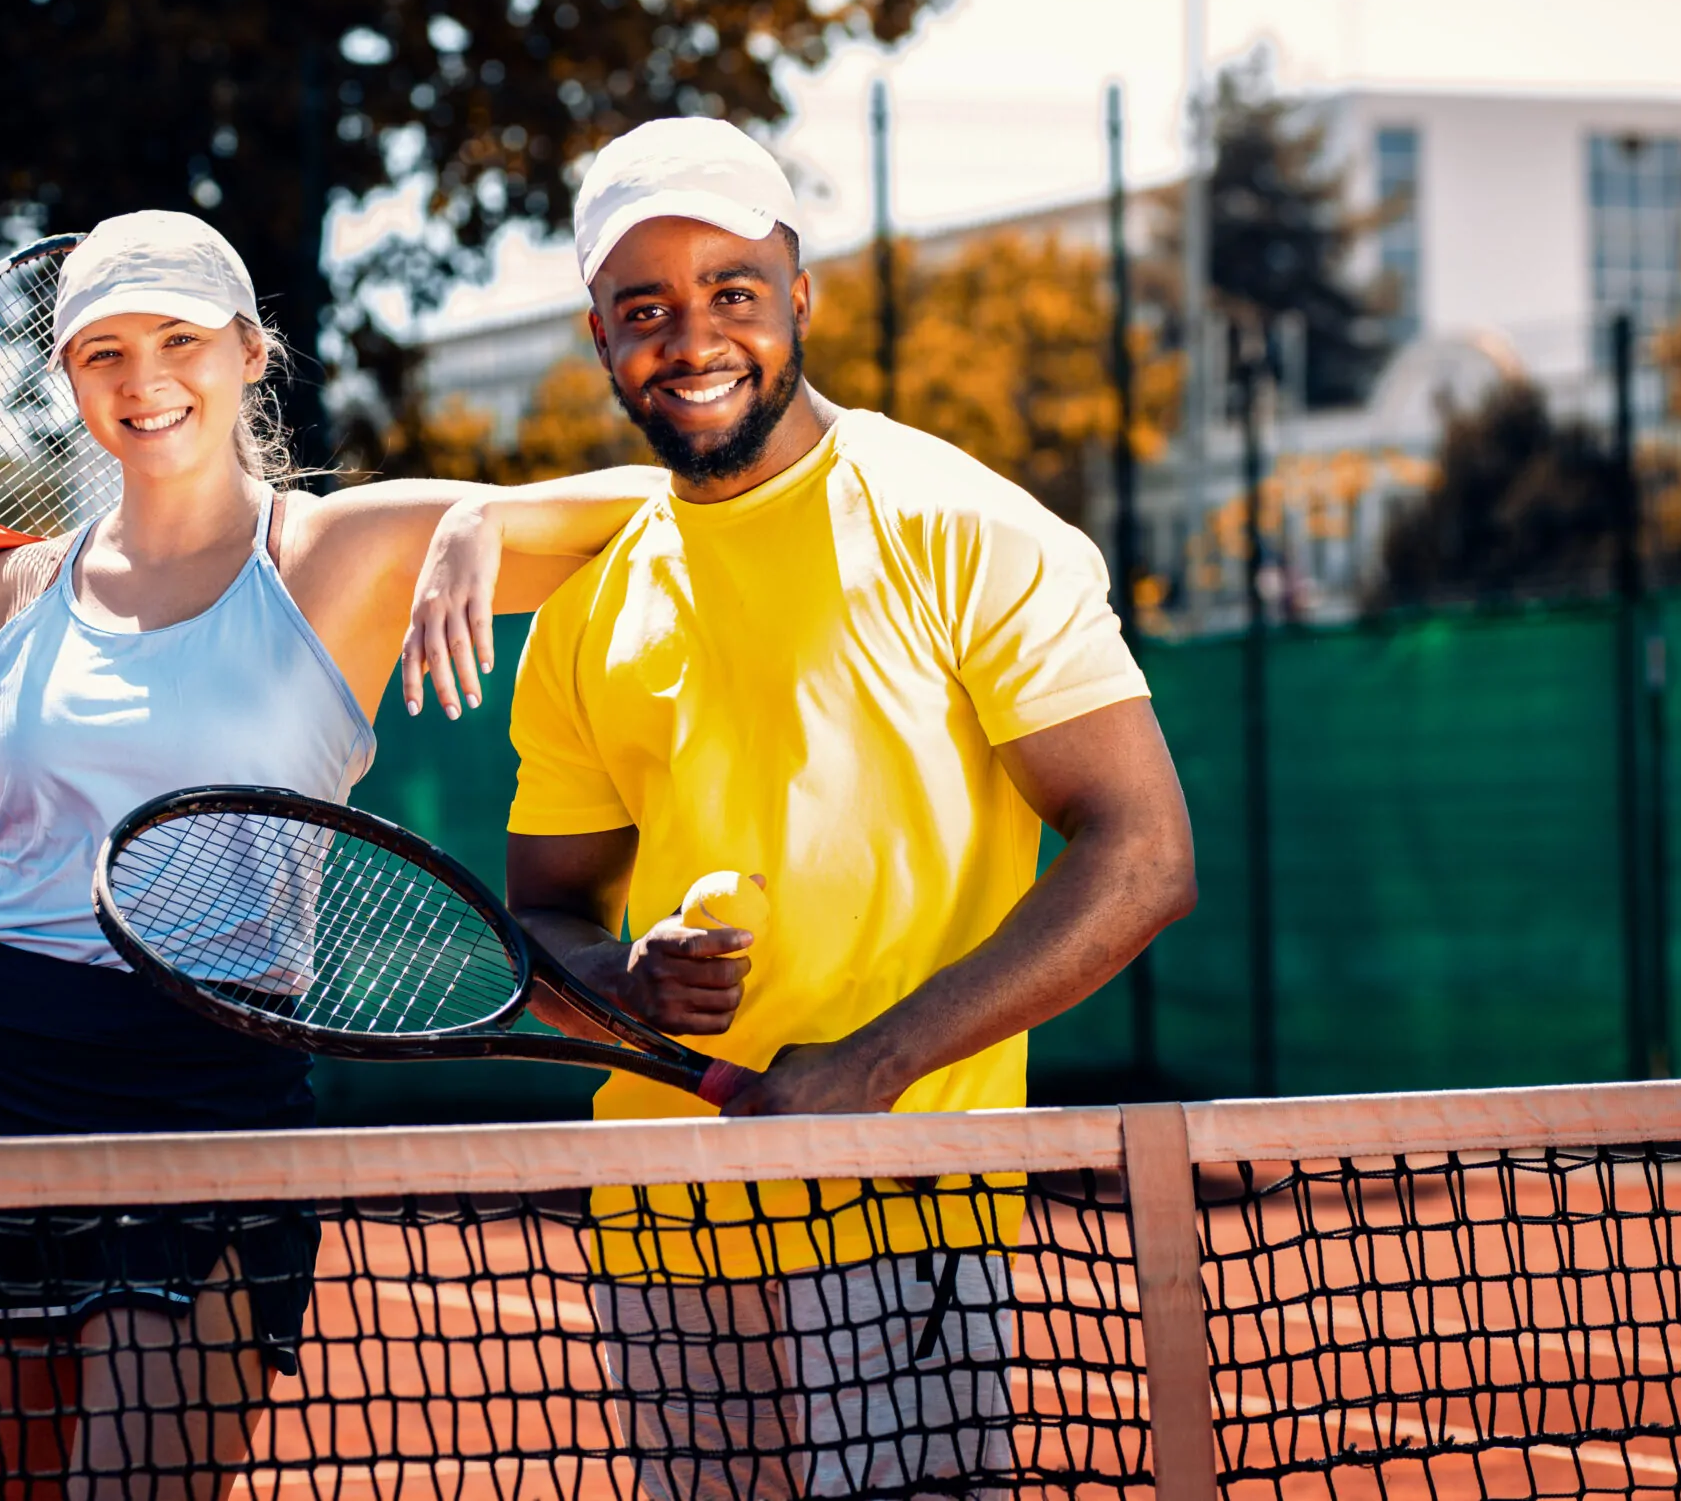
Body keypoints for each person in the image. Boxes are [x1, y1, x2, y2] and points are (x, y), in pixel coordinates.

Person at [0, 210, 664, 1501]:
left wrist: (484, 515)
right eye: (103, 353)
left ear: (251, 352)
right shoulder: (7, 593)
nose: (144, 381)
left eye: (180, 340)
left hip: (215, 1075)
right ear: (70, 379)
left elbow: (664, 505)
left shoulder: (340, 551)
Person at [413, 119, 1197, 1497]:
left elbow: (1143, 857)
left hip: (901, 1204)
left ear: (800, 299)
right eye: (644, 307)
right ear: (601, 337)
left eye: (732, 289)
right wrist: (622, 975)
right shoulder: (588, 609)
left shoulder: (968, 527)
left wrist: (873, 1067)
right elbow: (544, 922)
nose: (693, 335)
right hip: (663, 1224)